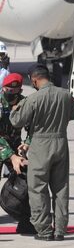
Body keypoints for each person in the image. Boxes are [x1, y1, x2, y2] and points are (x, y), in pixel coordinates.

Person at [10, 64, 74, 241]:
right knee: (61, 188)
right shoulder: (65, 95)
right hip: (61, 143)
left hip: (40, 145)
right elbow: (73, 114)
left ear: (34, 79)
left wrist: (15, 109)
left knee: (38, 188)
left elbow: (17, 122)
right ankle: (60, 230)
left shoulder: (33, 99)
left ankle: (44, 231)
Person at [0, 73, 35, 234]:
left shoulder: (25, 103)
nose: (11, 94)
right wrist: (11, 156)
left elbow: (33, 127)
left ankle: (25, 220)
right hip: (3, 145)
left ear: (20, 90)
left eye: (15, 91)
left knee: (26, 181)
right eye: (8, 90)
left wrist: (26, 144)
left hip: (15, 145)